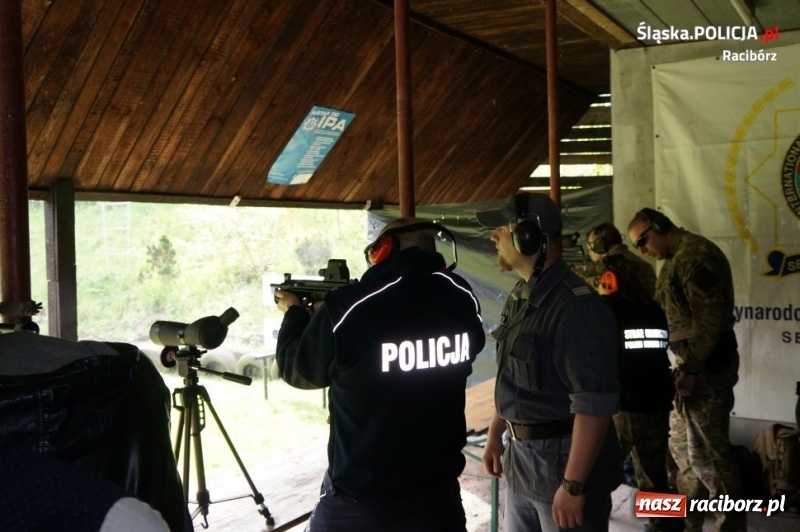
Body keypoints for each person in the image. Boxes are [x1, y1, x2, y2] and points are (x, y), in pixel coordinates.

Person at [274, 217, 486, 532]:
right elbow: (465, 343)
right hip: (439, 500)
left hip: (363, 504)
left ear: (387, 247)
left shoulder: (348, 308)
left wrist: (294, 313)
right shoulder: (462, 297)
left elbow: (297, 369)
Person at [476, 192, 622, 532]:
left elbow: (594, 405)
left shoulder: (576, 309)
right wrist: (496, 434)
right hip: (521, 461)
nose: (493, 236)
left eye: (501, 228)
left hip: (563, 464)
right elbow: (513, 377)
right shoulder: (521, 296)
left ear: (527, 236)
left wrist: (573, 484)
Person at [628, 208, 745, 531]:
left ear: (660, 226)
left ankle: (730, 525)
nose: (641, 250)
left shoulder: (696, 256)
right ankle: (686, 523)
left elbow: (711, 320)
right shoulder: (673, 261)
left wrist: (692, 368)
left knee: (712, 455)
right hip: (687, 367)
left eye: (642, 240)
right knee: (683, 454)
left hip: (707, 370)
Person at [596, 255, 680, 532]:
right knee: (655, 474)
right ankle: (665, 526)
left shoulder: (606, 310)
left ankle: (592, 522)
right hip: (656, 402)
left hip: (623, 407)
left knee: (597, 473)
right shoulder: (654, 309)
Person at [577, 222, 656, 297]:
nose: (589, 252)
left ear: (599, 245)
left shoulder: (612, 266)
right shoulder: (630, 258)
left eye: (590, 246)